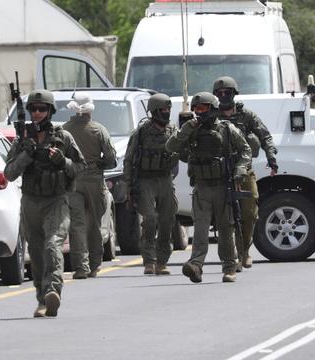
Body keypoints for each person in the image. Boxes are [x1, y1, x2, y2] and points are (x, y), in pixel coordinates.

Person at [4, 89, 85, 317]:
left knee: (52, 245)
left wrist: (63, 162)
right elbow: (9, 173)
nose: (38, 113)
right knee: (37, 254)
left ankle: (53, 291)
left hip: (56, 201)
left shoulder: (62, 137)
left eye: (42, 109)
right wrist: (25, 156)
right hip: (31, 202)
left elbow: (80, 167)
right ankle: (42, 300)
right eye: (34, 109)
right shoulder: (23, 140)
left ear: (50, 111)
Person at [166, 92, 251, 283]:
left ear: (212, 109)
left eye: (203, 108)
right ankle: (195, 265)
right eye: (196, 109)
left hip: (223, 186)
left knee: (226, 228)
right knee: (201, 229)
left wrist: (240, 169)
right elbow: (170, 147)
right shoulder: (192, 129)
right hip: (201, 187)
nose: (198, 112)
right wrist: (186, 129)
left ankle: (229, 267)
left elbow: (246, 150)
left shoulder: (227, 129)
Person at [212, 76, 278, 270]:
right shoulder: (211, 116)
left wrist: (271, 158)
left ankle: (245, 251)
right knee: (225, 217)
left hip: (244, 170)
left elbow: (265, 136)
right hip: (220, 172)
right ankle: (232, 257)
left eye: (227, 93)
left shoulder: (246, 115)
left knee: (249, 213)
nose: (224, 96)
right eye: (220, 94)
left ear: (234, 94)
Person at [62, 93, 117, 279]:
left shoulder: (64, 130)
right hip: (94, 181)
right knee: (93, 223)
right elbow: (111, 160)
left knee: (76, 225)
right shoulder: (98, 130)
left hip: (73, 181)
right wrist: (99, 164)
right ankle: (94, 264)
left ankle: (80, 267)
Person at [123, 93, 178, 276]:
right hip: (145, 180)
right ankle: (149, 260)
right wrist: (129, 186)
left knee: (167, 220)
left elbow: (180, 153)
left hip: (165, 179)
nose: (166, 113)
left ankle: (162, 261)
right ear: (154, 111)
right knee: (150, 220)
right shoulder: (141, 133)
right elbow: (129, 160)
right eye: (163, 110)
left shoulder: (172, 130)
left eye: (168, 109)